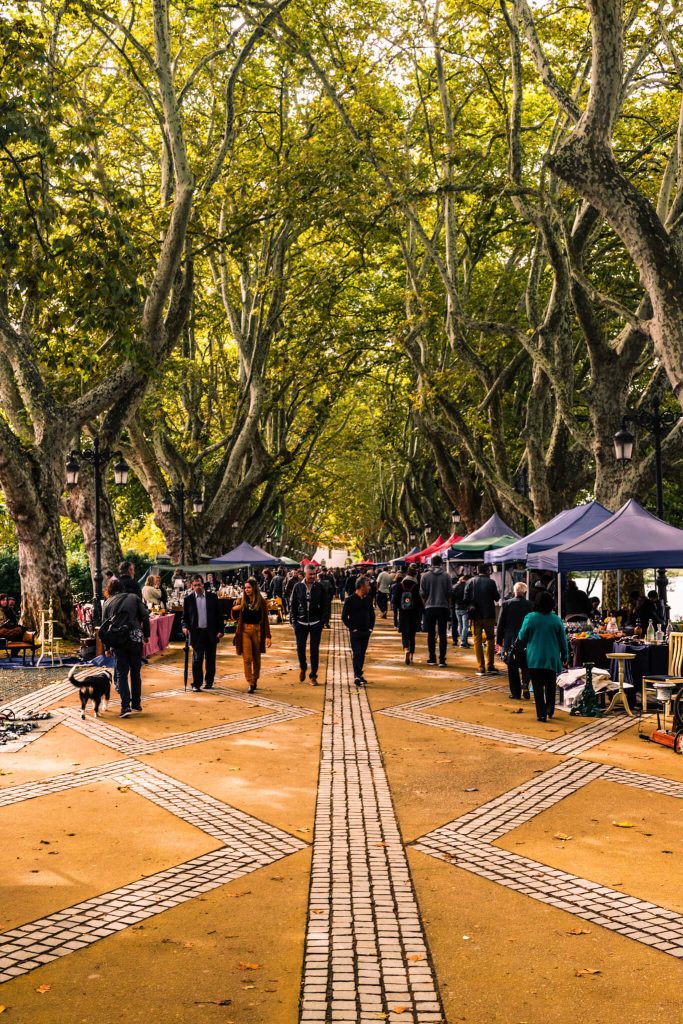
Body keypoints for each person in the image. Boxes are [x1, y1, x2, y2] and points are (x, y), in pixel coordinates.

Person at [517, 589, 569, 722]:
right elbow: (563, 640)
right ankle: (550, 709)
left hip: (534, 657)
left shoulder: (530, 617)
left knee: (537, 687)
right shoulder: (556, 619)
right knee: (551, 685)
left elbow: (522, 636)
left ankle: (541, 714)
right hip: (552, 658)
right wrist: (565, 655)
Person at [101, 578, 150, 717]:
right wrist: (146, 634)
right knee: (136, 671)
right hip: (135, 638)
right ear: (122, 588)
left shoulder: (107, 602)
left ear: (109, 590)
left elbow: (104, 627)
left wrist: (107, 647)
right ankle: (136, 703)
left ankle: (125, 706)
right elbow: (145, 616)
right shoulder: (133, 597)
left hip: (118, 640)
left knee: (122, 674)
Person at [290, 563, 331, 685]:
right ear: (305, 574)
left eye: (314, 574)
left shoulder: (320, 587)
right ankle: (303, 667)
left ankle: (313, 675)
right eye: (310, 574)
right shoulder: (298, 586)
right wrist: (294, 621)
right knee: (300, 648)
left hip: (316, 623)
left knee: (314, 650)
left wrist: (323, 621)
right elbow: (293, 604)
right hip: (300, 623)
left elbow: (326, 605)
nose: (313, 576)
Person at [182, 575, 224, 691]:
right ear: (192, 586)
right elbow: (185, 618)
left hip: (211, 632)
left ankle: (209, 682)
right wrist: (185, 627)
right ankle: (196, 684)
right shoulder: (188, 599)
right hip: (197, 633)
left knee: (210, 659)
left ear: (203, 584)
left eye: (199, 585)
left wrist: (221, 630)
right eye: (195, 585)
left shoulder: (212, 597)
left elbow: (219, 615)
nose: (197, 587)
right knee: (197, 659)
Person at [232, 577, 271, 693]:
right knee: (247, 658)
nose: (246, 590)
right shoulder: (242, 600)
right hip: (244, 630)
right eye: (245, 588)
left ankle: (255, 679)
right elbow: (234, 616)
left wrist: (268, 636)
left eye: (249, 587)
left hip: (257, 630)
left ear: (254, 588)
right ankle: (250, 682)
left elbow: (265, 620)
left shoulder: (261, 602)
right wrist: (236, 608)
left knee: (256, 658)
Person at [496, 582, 533, 699]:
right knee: (526, 663)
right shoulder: (530, 605)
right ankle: (525, 683)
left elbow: (500, 624)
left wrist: (498, 641)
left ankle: (515, 693)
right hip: (526, 639)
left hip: (510, 639)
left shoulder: (506, 604)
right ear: (525, 592)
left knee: (512, 665)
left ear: (514, 592)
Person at [464, 564, 500, 676]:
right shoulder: (491, 582)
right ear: (487, 571)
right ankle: (490, 665)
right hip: (489, 615)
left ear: (477, 571)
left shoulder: (470, 581)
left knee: (477, 641)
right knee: (490, 639)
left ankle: (481, 667)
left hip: (475, 616)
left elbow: (465, 599)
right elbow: (497, 597)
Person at [342, 575, 376, 686]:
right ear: (361, 586)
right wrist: (353, 628)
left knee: (362, 654)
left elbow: (372, 614)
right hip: (355, 633)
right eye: (367, 585)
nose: (369, 587)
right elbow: (344, 617)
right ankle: (357, 675)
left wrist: (370, 628)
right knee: (357, 653)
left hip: (366, 631)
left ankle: (359, 674)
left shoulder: (368, 599)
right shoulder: (350, 600)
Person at [419, 555, 452, 667]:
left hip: (430, 607)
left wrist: (425, 604)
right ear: (441, 563)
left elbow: (422, 593)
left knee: (431, 633)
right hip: (443, 607)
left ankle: (432, 658)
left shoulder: (425, 576)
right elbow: (449, 593)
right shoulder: (447, 576)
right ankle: (442, 659)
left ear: (431, 563)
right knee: (442, 634)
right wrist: (448, 606)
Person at [399, 565, 423, 664]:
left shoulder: (401, 585)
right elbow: (419, 601)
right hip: (413, 613)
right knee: (412, 635)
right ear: (415, 575)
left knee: (404, 634)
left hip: (403, 613)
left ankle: (406, 649)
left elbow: (395, 600)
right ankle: (412, 656)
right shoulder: (416, 586)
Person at [451, 574, 471, 648]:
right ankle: (463, 642)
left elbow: (452, 598)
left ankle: (462, 640)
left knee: (460, 625)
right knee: (465, 626)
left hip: (456, 608)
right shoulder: (467, 586)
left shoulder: (455, 587)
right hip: (465, 608)